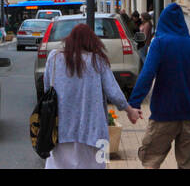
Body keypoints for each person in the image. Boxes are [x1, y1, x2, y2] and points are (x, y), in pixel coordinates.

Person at [127, 3, 190, 169]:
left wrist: (134, 104)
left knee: (150, 160)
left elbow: (147, 75)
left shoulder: (159, 44)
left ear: (163, 22)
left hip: (163, 115)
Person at [42, 23, 140, 169]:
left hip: (59, 129)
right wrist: (130, 110)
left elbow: (47, 89)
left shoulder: (54, 58)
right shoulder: (97, 60)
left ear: (69, 40)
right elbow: (113, 91)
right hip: (92, 131)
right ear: (92, 42)